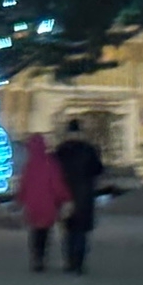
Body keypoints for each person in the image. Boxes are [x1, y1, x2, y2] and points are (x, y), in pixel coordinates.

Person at [53, 118, 105, 275]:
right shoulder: (89, 149)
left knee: (68, 231)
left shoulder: (61, 150)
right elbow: (98, 169)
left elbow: (54, 173)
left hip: (65, 195)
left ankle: (69, 262)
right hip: (85, 195)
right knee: (81, 232)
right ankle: (79, 264)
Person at [16, 131, 71, 274]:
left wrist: (20, 200)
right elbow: (57, 184)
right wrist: (65, 197)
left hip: (32, 205)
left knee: (35, 232)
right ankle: (42, 258)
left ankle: (36, 258)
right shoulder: (51, 164)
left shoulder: (28, 165)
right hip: (48, 205)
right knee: (45, 232)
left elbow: (24, 185)